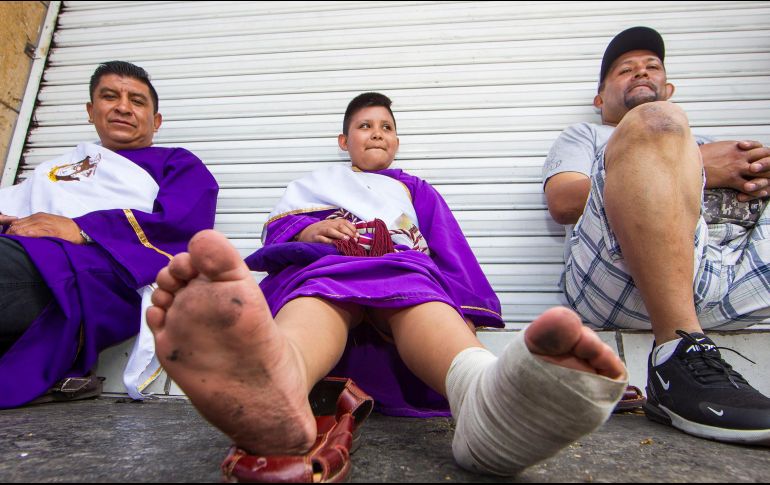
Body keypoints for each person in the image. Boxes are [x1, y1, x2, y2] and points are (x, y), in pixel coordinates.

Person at [148, 92, 629, 477]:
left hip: (401, 287)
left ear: (396, 142)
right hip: (326, 267)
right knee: (318, 288)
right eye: (364, 126)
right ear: (344, 140)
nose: (376, 132)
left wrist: (465, 309)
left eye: (386, 127)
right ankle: (282, 381)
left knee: (414, 289)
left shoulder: (414, 188)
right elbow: (281, 231)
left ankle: (479, 395)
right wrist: (310, 232)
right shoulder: (313, 183)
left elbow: (448, 248)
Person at [543, 26, 770, 445]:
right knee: (656, 123)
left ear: (669, 87)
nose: (641, 72)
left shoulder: (708, 140)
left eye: (652, 67)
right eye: (625, 70)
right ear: (600, 99)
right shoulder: (586, 135)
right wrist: (705, 166)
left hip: (725, 272)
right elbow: (562, 201)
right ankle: (674, 355)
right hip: (620, 282)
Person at [0, 61, 219, 408]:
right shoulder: (55, 168)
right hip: (25, 255)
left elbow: (185, 227)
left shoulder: (176, 163)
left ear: (156, 121)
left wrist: (82, 228)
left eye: (137, 101)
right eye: (110, 96)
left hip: (96, 273)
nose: (123, 107)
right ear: (91, 111)